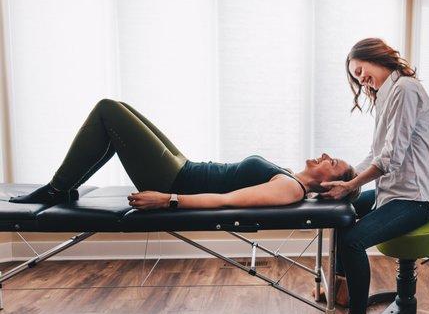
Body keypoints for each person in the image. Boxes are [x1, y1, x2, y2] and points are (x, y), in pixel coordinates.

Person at [315, 38, 429, 314]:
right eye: (356, 79)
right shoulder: (387, 95)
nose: (361, 80)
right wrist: (344, 180)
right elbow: (376, 153)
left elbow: (392, 157)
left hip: (415, 199)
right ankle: (343, 290)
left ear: (374, 56)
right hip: (392, 193)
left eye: (360, 71)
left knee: (353, 241)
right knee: (341, 211)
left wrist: (352, 183)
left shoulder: (405, 90)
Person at [9, 99, 356, 209]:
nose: (326, 155)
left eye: (334, 162)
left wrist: (168, 199)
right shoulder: (289, 175)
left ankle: (57, 189)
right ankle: (65, 187)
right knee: (117, 114)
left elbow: (227, 201)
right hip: (184, 166)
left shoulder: (291, 189)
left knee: (107, 110)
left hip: (174, 179)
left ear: (329, 183)